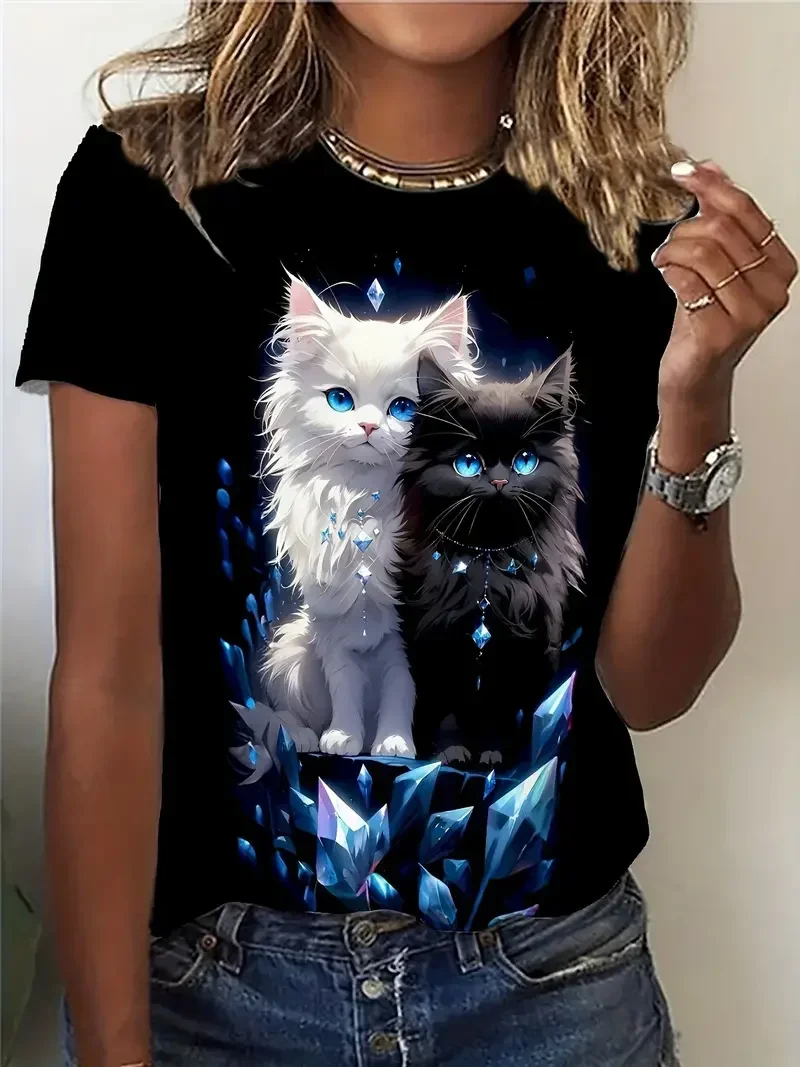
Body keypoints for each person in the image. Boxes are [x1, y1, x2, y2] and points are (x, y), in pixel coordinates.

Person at [15, 3, 796, 1066]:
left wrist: (697, 392)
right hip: (209, 995)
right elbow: (106, 679)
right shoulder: (153, 190)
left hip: (549, 992)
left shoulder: (639, 226)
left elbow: (650, 688)